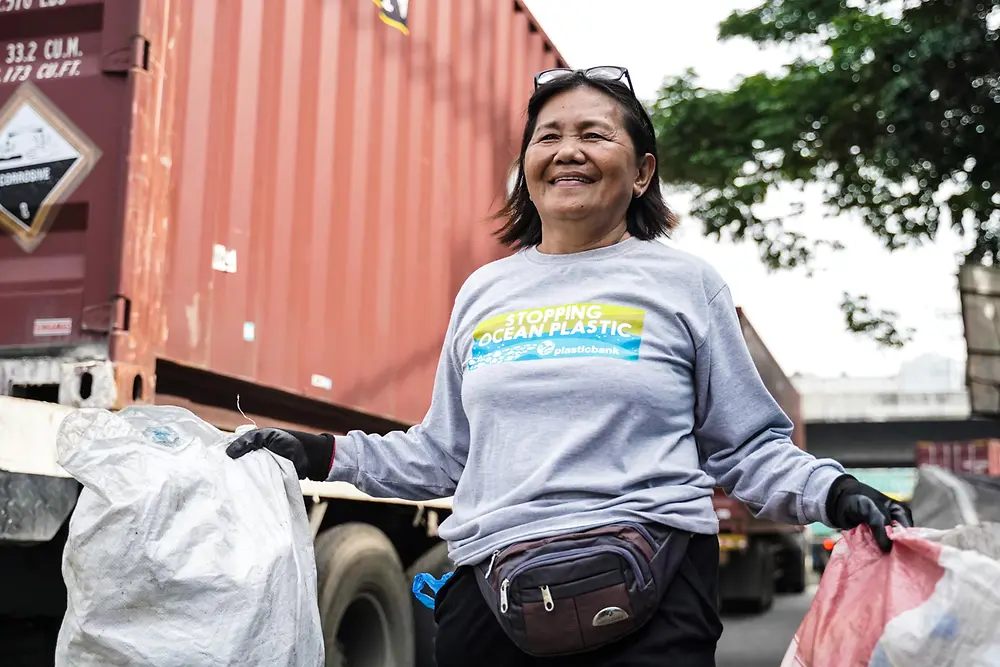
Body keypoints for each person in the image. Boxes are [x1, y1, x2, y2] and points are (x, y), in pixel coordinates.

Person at [228, 66, 913, 667]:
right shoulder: (484, 291)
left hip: (654, 596)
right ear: (527, 164)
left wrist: (836, 491)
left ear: (642, 170)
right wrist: (320, 452)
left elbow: (744, 447)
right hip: (494, 597)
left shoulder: (684, 283)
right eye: (548, 136)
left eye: (594, 133)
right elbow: (441, 454)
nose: (568, 152)